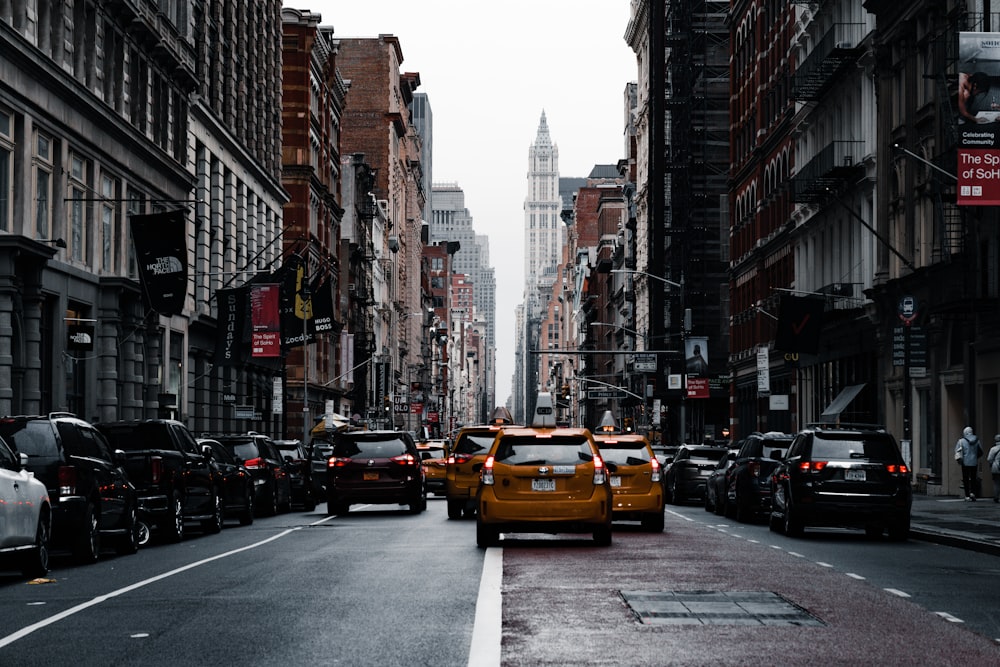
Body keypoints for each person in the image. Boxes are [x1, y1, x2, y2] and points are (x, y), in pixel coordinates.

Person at [955, 426, 984, 501]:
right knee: (973, 478)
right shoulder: (977, 440)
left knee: (965, 479)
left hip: (965, 462)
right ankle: (973, 493)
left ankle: (967, 495)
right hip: (974, 462)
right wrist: (975, 457)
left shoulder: (961, 441)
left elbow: (957, 451)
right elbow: (980, 451)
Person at [987, 434, 1000, 503]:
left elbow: (989, 459)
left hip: (996, 467)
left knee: (996, 483)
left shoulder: (993, 449)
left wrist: (991, 464)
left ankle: (996, 497)